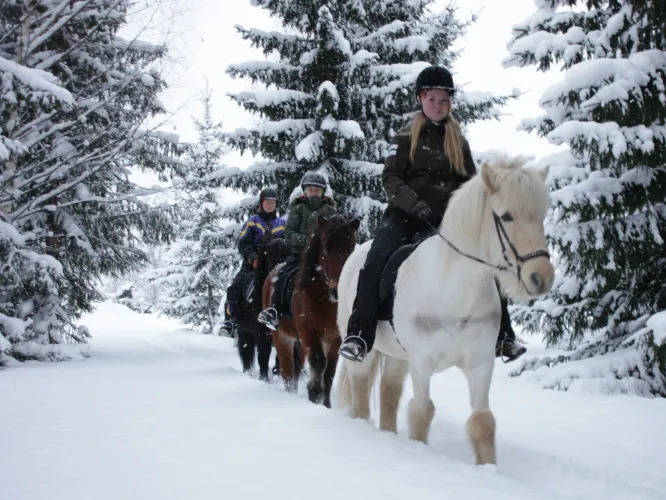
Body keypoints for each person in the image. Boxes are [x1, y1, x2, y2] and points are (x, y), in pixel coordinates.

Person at [338, 65, 527, 363]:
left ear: (450, 103)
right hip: (404, 216)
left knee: (487, 261)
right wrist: (414, 203)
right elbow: (390, 179)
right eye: (432, 99)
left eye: (444, 100)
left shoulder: (458, 141)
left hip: (445, 221)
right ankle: (359, 334)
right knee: (375, 259)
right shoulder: (403, 137)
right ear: (420, 99)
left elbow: (469, 183)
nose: (438, 106)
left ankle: (503, 335)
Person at [257, 171, 336, 330]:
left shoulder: (329, 211)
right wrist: (305, 241)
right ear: (305, 191)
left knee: (338, 274)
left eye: (317, 190)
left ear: (322, 192)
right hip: (299, 255)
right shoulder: (298, 209)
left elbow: (334, 231)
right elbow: (289, 232)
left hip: (323, 257)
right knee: (282, 275)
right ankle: (275, 309)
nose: (314, 192)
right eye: (310, 189)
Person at [220, 188, 285, 337]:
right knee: (234, 288)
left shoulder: (282, 224)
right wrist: (253, 258)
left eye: (272, 203)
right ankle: (230, 321)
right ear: (261, 203)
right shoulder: (252, 222)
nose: (270, 205)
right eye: (267, 202)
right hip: (252, 265)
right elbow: (243, 243)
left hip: (275, 266)